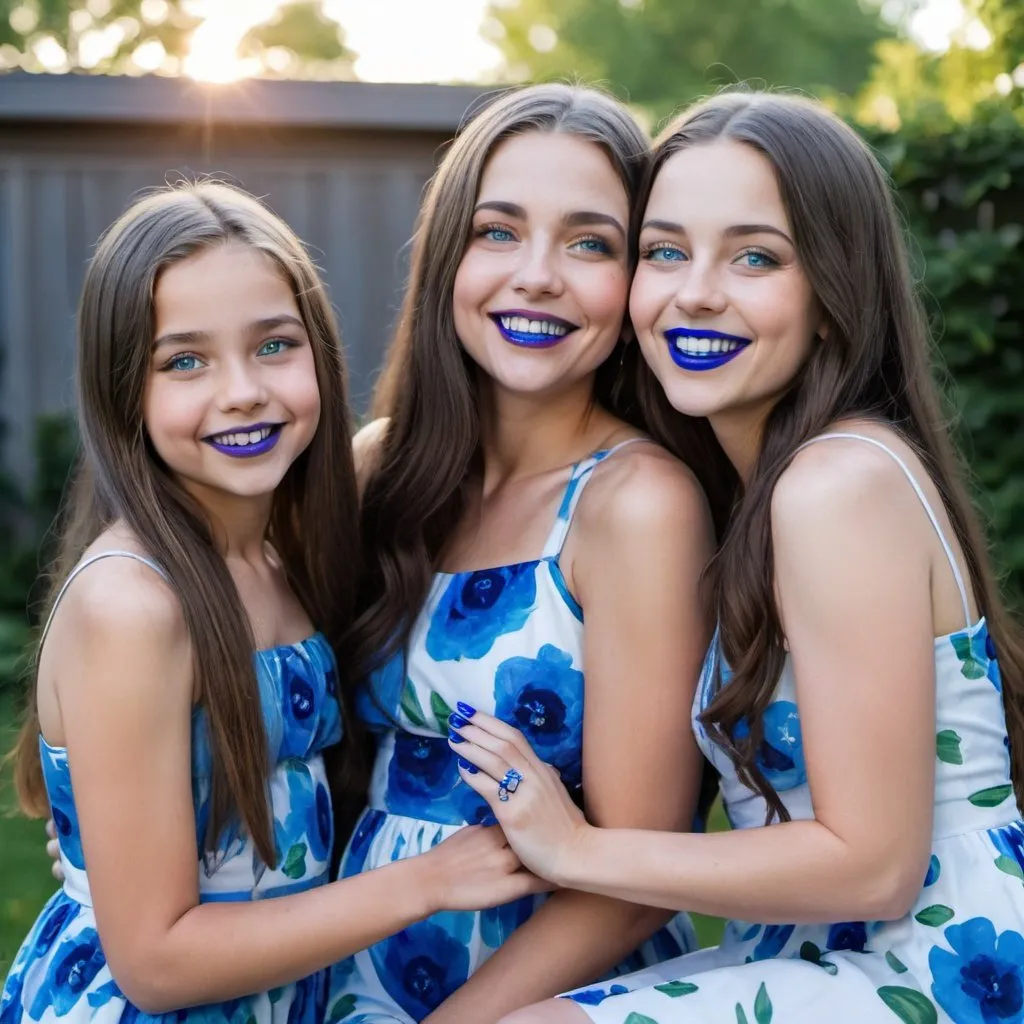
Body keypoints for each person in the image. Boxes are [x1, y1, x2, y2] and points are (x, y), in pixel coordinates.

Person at [448, 91, 1024, 1023]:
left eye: (755, 257)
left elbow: (874, 865)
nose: (695, 291)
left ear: (835, 295)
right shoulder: (768, 488)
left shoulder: (834, 485)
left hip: (936, 961)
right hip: (814, 950)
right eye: (666, 251)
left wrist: (575, 847)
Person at [0, 181, 546, 1024]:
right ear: (122, 394)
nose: (242, 391)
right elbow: (154, 962)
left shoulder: (285, 557)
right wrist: (427, 882)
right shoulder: (135, 606)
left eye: (273, 346)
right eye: (184, 360)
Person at [327, 84, 723, 1024]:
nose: (537, 275)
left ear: (636, 279)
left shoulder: (636, 505)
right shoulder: (379, 466)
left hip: (534, 992)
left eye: (590, 243)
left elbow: (637, 876)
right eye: (498, 231)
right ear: (447, 256)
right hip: (344, 960)